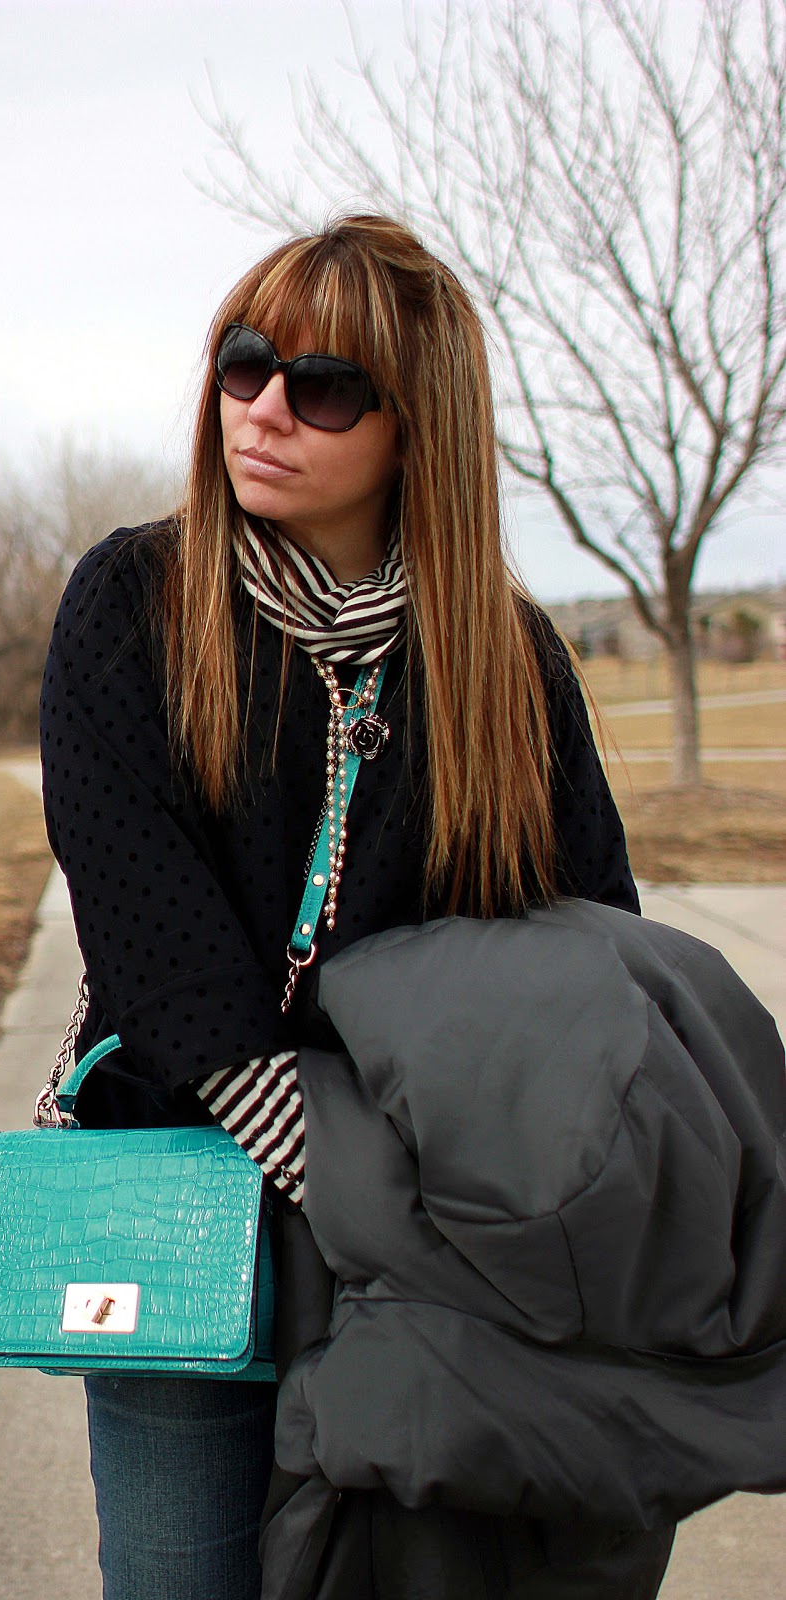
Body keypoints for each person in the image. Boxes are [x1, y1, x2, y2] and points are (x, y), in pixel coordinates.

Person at [39, 215, 671, 1599]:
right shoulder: (134, 600)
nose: (263, 409)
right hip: (186, 1194)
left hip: (429, 1247)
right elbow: (154, 944)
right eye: (244, 362)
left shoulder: (503, 655)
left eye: (323, 386)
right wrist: (342, 1187)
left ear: (415, 428)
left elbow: (591, 946)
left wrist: (467, 1207)